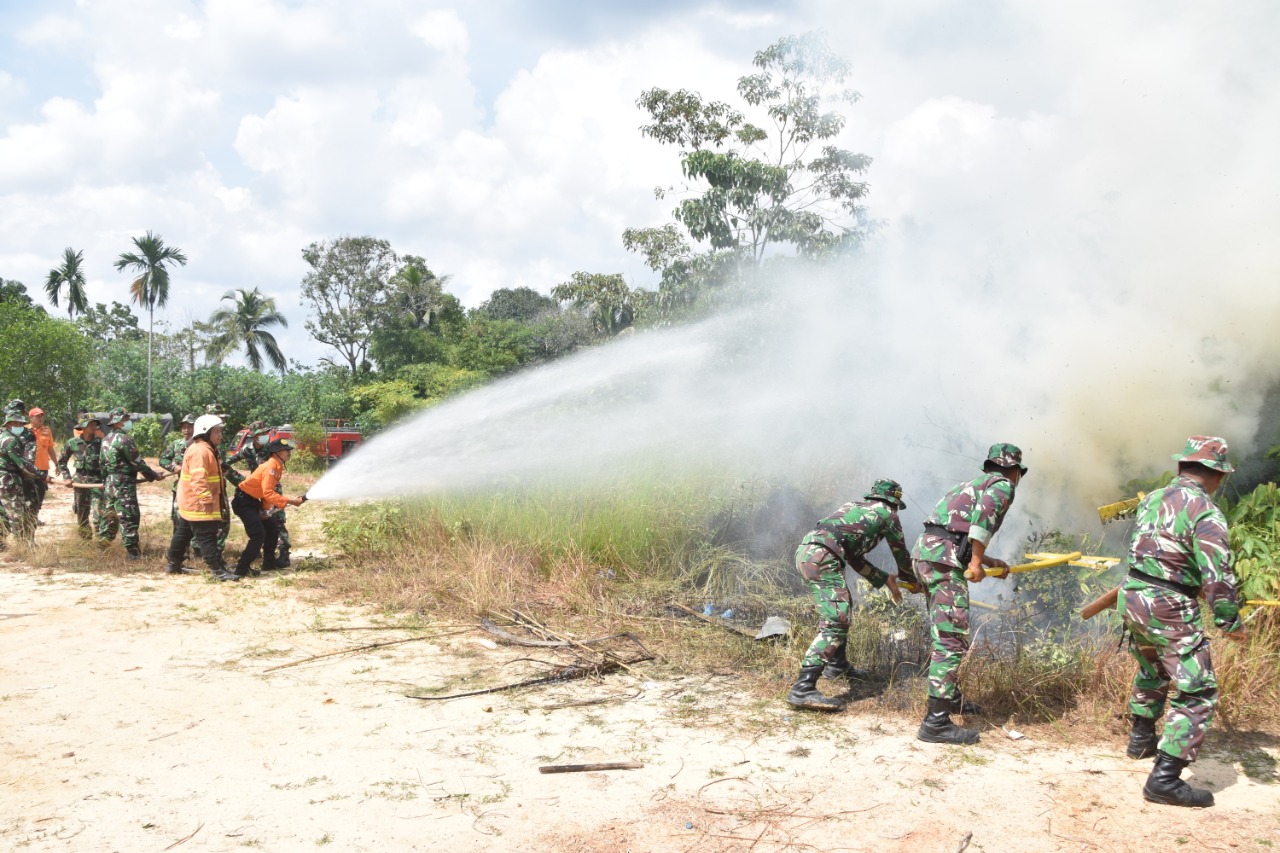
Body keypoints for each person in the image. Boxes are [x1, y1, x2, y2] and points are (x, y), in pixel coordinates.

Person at [1121, 436, 1246, 808]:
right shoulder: (1206, 511)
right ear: (1218, 476)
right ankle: (1164, 779)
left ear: (1180, 468)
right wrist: (1229, 621)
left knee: (1153, 666)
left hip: (1132, 595)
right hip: (1170, 603)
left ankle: (1141, 739)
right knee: (1198, 690)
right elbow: (1217, 574)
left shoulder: (1152, 498)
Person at [911, 443, 1026, 745]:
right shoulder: (1003, 485)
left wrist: (989, 561)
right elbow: (982, 522)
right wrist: (975, 562)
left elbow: (954, 533)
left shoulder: (971, 484)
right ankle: (935, 723)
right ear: (1015, 471)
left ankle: (949, 700)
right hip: (943, 559)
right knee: (951, 637)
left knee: (943, 633)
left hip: (928, 554)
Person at [787, 478, 915, 711]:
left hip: (807, 552)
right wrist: (913, 580)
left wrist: (884, 578)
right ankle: (803, 688)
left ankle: (838, 666)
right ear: (894, 502)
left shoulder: (853, 507)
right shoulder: (888, 514)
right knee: (837, 620)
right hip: (823, 557)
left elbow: (854, 557)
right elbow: (901, 555)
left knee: (842, 607)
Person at [167, 414, 237, 581]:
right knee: (207, 536)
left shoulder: (204, 448)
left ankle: (173, 563)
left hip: (190, 502)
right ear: (206, 432)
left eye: (220, 431)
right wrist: (206, 500)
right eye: (217, 431)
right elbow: (199, 479)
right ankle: (217, 570)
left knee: (183, 533)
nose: (220, 435)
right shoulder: (201, 451)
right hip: (199, 503)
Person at [232, 438, 305, 577]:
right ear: (277, 452)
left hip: (253, 501)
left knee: (271, 529)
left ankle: (269, 563)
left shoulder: (277, 465)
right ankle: (242, 568)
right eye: (286, 451)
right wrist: (291, 501)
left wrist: (265, 511)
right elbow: (268, 493)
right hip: (243, 502)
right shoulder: (271, 467)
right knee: (258, 534)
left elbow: (266, 493)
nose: (289, 453)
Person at [99, 407, 164, 560]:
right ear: (117, 422)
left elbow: (102, 464)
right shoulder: (125, 439)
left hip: (110, 483)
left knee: (110, 515)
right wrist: (153, 475)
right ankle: (133, 553)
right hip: (124, 483)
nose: (128, 422)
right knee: (128, 516)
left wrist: (105, 481)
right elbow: (137, 462)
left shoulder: (105, 440)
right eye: (125, 419)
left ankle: (103, 546)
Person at [228, 421, 295, 566]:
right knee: (259, 523)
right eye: (261, 434)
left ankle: (283, 553)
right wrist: (241, 480)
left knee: (277, 521)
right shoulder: (247, 450)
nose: (265, 436)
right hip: (255, 492)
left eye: (266, 433)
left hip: (272, 490)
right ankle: (258, 552)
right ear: (253, 436)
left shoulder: (272, 449)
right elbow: (227, 462)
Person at [0, 409, 46, 546]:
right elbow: (23, 464)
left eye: (21, 424)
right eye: (17, 424)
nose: (20, 426)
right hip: (9, 480)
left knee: (8, 511)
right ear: (9, 424)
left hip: (8, 478)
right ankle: (22, 546)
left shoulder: (3, 436)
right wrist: (41, 475)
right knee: (16, 513)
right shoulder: (10, 441)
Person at [56, 415, 105, 538]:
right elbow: (62, 461)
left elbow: (108, 462)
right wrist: (66, 477)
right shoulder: (72, 443)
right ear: (82, 426)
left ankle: (101, 541)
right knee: (82, 513)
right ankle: (85, 541)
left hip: (97, 482)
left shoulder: (101, 443)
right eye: (90, 424)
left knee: (99, 511)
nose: (94, 426)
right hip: (80, 482)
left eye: (95, 424)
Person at [159, 414, 195, 543]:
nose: (186, 430)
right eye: (184, 427)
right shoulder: (176, 444)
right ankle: (181, 549)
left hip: (197, 487)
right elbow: (163, 459)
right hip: (181, 487)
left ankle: (198, 548)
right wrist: (174, 466)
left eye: (190, 427)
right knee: (178, 518)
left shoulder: (201, 445)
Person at [28, 407, 55, 516]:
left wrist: (56, 464)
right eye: (37, 416)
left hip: (43, 468)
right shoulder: (25, 430)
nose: (40, 418)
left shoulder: (47, 430)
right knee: (29, 493)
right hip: (29, 468)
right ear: (31, 417)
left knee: (41, 492)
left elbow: (50, 449)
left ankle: (35, 515)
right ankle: (29, 517)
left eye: (41, 415)